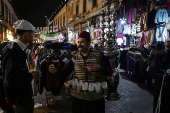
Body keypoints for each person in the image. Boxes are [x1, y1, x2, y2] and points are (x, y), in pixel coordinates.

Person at [49, 31, 113, 113]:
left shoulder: (99, 56)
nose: (79, 44)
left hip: (96, 100)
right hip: (79, 100)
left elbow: (110, 72)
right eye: (78, 42)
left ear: (89, 43)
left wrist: (100, 68)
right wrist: (55, 71)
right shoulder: (75, 57)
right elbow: (64, 72)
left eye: (82, 42)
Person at [1, 20, 41, 113]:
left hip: (19, 100)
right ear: (27, 34)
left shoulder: (15, 48)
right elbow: (11, 80)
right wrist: (31, 76)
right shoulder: (15, 52)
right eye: (32, 33)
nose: (34, 36)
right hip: (19, 102)